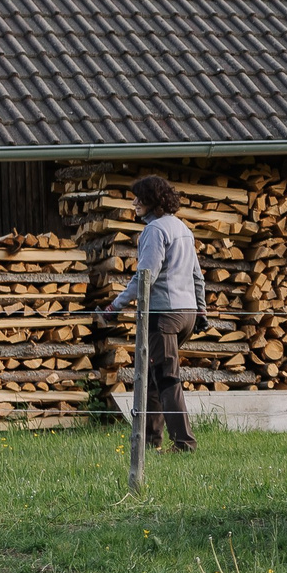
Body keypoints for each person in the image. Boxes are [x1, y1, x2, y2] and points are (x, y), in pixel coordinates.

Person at [105, 174, 203, 452]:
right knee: (150, 375)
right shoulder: (183, 228)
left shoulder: (155, 231)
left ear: (153, 201)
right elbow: (198, 277)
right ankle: (149, 443)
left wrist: (115, 306)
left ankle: (184, 444)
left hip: (164, 315)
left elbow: (145, 276)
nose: (134, 202)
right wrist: (202, 309)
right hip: (188, 314)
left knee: (167, 378)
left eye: (139, 198)